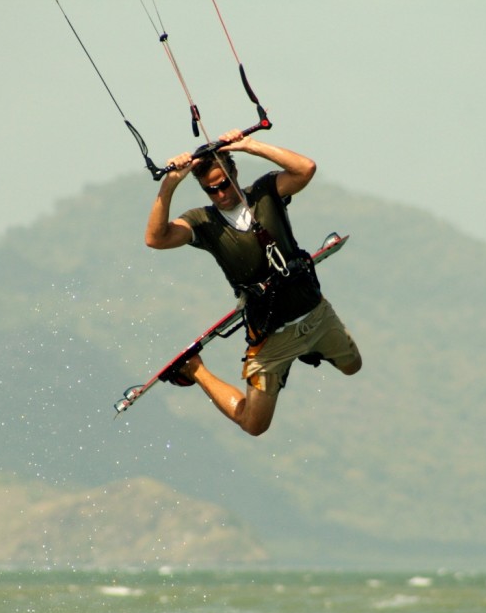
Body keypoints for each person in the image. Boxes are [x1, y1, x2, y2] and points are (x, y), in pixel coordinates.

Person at [145, 129, 362, 436]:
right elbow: (155, 238)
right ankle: (194, 369)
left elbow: (306, 169)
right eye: (211, 190)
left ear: (234, 172)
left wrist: (250, 145)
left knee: (354, 367)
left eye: (223, 184)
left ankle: (310, 349)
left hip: (315, 313)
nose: (220, 194)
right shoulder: (202, 222)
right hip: (271, 335)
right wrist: (170, 185)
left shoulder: (265, 193)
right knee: (254, 425)